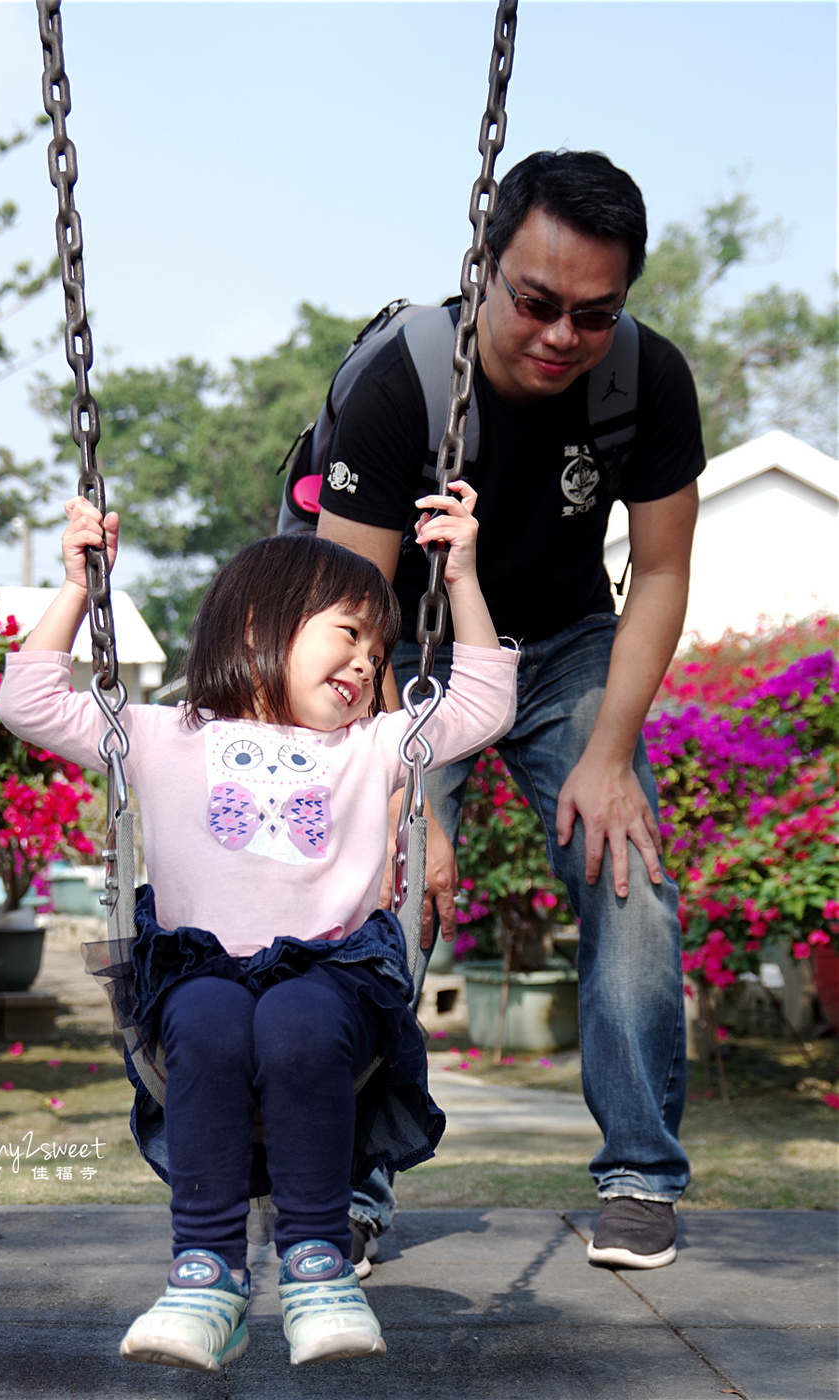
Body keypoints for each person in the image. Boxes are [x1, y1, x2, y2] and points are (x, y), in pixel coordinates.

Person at [0, 482, 516, 1373]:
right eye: (346, 633)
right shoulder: (164, 734)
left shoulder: (374, 745)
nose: (365, 662)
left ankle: (316, 1265)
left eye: (378, 645)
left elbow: (481, 705)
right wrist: (81, 588)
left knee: (296, 1021)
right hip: (201, 971)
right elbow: (32, 702)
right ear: (253, 628)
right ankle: (205, 1275)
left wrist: (460, 577)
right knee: (201, 1020)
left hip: (330, 974)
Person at [317, 149, 704, 1272]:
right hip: (410, 651)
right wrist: (405, 798)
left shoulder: (649, 380)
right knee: (384, 888)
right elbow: (348, 611)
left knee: (625, 866)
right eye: (535, 301)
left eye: (594, 312)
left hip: (565, 646)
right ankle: (349, 1180)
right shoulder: (402, 379)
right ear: (485, 267)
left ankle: (639, 1173)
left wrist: (612, 753)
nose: (561, 335)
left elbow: (664, 574)